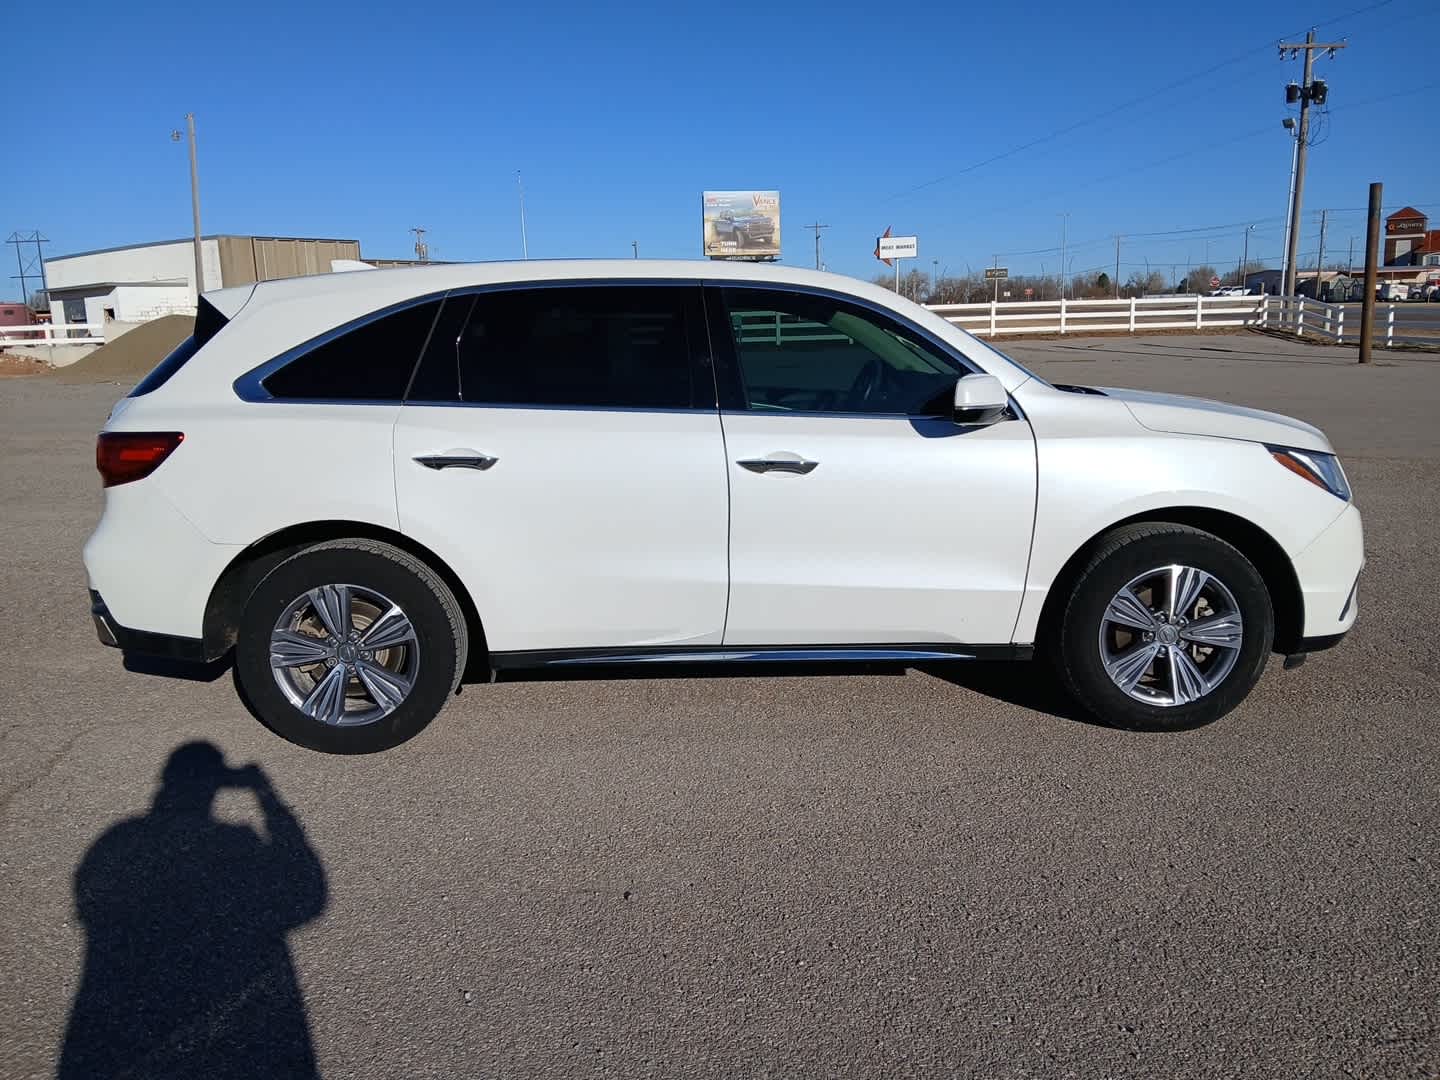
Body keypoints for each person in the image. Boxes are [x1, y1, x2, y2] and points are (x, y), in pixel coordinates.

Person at [59, 742, 327, 1079]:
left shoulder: (119, 837)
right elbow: (307, 897)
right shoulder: (236, 839)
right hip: (245, 1008)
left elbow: (92, 905)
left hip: (115, 1009)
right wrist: (265, 793)